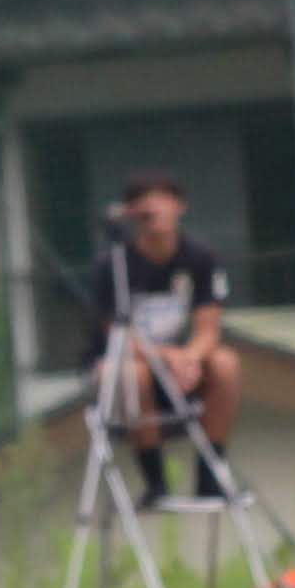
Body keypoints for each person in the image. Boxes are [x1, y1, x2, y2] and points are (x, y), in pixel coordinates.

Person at [84, 171, 240, 504]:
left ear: (179, 206)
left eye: (163, 199)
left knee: (226, 364)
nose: (155, 208)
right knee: (134, 374)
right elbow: (115, 334)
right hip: (131, 366)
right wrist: (168, 357)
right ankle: (155, 480)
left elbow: (209, 326)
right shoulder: (114, 265)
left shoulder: (200, 258)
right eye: (146, 201)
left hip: (182, 368)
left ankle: (210, 474)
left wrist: (191, 358)